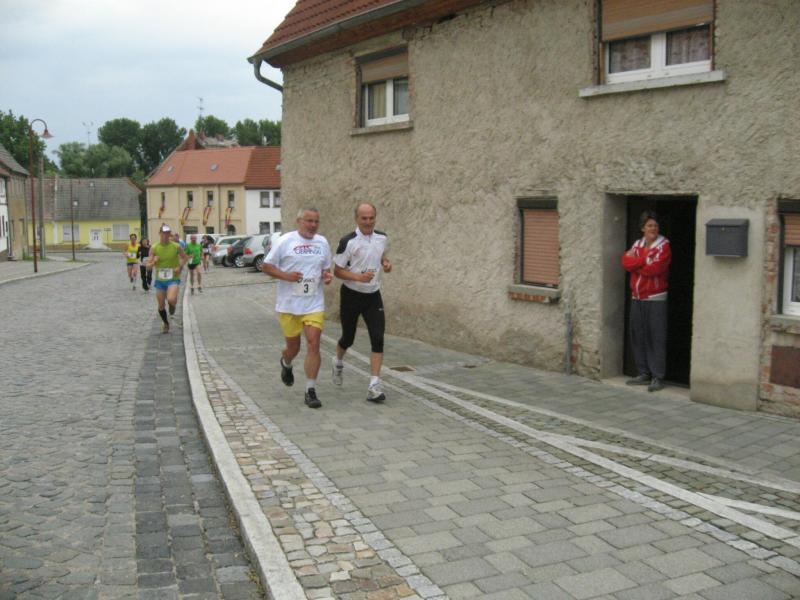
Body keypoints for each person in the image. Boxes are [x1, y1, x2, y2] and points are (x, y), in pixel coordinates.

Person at [262, 208, 333, 408]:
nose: (313, 225)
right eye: (309, 221)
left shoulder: (322, 242)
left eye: (316, 221)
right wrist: (286, 276)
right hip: (289, 304)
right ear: (299, 221)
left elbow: (325, 269)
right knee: (293, 348)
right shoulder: (285, 241)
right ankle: (286, 362)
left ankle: (310, 390)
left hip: (313, 303)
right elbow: (266, 266)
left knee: (314, 343)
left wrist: (327, 276)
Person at [332, 203, 392, 402]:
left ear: (375, 217)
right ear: (356, 219)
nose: (368, 222)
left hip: (373, 295)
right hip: (351, 295)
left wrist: (385, 263)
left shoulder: (382, 238)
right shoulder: (348, 241)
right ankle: (338, 360)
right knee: (348, 338)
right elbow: (337, 271)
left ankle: (374, 386)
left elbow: (380, 255)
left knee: (378, 337)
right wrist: (358, 277)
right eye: (364, 218)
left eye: (371, 218)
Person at [621, 211, 671, 392]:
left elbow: (655, 269)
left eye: (655, 225)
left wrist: (637, 263)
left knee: (655, 337)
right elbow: (625, 262)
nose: (653, 228)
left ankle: (657, 376)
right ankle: (644, 372)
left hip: (655, 298)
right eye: (650, 225)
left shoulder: (663, 246)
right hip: (637, 297)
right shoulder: (638, 244)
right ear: (643, 228)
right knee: (638, 335)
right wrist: (643, 260)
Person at [147, 225, 189, 334]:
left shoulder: (176, 246)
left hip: (173, 278)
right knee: (161, 305)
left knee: (170, 299)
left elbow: (185, 258)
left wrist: (179, 267)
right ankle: (166, 323)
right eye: (163, 233)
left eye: (167, 233)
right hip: (160, 281)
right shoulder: (154, 248)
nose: (165, 235)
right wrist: (154, 261)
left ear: (170, 234)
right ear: (160, 233)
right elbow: (148, 267)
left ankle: (172, 305)